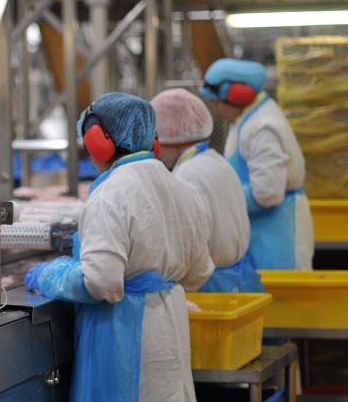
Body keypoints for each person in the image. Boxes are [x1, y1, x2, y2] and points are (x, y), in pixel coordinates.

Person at [25, 92, 214, 402]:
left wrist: (51, 276)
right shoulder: (185, 190)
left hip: (124, 335)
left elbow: (102, 284)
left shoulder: (110, 195)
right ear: (153, 140)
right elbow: (199, 272)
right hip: (170, 328)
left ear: (99, 141)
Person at [200, 58, 313, 270]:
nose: (216, 109)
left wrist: (220, 199)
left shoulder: (262, 127)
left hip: (278, 236)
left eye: (217, 102)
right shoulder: (247, 119)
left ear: (236, 95)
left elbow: (268, 192)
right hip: (263, 232)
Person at [151, 88, 262, 292]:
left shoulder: (186, 176)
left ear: (169, 139)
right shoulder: (217, 161)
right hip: (237, 282)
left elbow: (188, 250)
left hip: (209, 286)